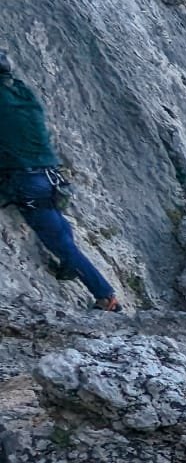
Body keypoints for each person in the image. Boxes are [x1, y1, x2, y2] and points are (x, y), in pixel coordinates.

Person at [0, 49, 119, 311]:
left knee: (58, 239)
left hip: (24, 180)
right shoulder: (23, 94)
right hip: (50, 177)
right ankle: (69, 266)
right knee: (59, 227)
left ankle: (105, 296)